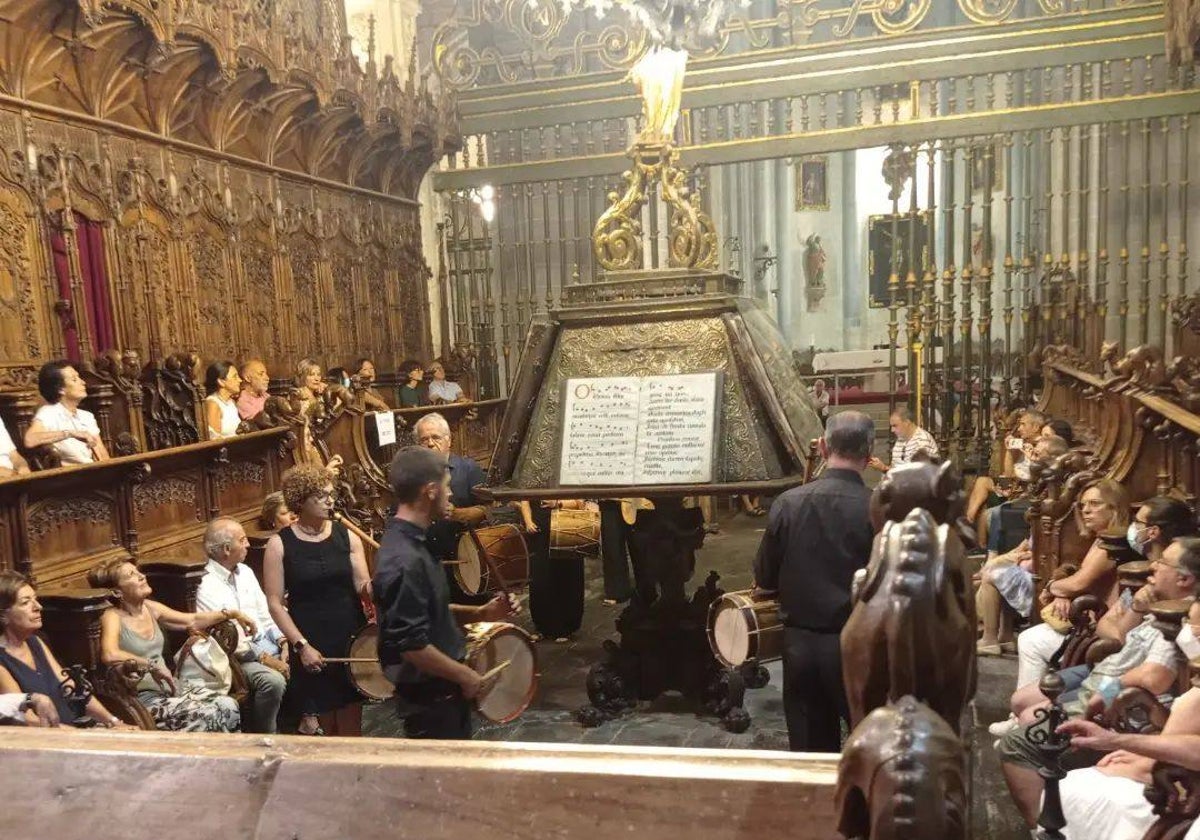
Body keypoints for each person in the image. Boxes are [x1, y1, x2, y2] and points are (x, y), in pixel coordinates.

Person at [997, 539, 1200, 827]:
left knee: (1019, 741)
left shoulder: (1176, 619)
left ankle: (1043, 827)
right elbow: (1115, 634)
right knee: (1027, 708)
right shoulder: (1157, 600)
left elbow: (1151, 678)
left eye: (1163, 562)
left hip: (1119, 707)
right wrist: (1139, 607)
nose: (1154, 565)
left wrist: (1108, 695)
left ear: (1184, 578)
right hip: (1102, 683)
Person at [373, 446, 517, 739]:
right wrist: (465, 675)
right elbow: (412, 645)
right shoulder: (403, 559)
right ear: (429, 491)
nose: (450, 495)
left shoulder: (415, 543)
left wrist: (480, 613)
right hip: (430, 701)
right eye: (447, 488)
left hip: (444, 694)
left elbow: (426, 611)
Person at [753, 410, 876, 751]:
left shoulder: (788, 503)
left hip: (800, 646)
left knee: (810, 755)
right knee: (869, 750)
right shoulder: (878, 509)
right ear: (870, 453)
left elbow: (764, 576)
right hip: (859, 648)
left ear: (822, 448)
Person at [263, 464, 370, 736]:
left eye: (330, 494)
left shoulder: (347, 535)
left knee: (351, 724)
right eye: (321, 496)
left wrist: (381, 585)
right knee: (326, 729)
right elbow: (275, 602)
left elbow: (362, 586)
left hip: (349, 637)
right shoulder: (279, 544)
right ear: (301, 500)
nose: (330, 500)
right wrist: (301, 645)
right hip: (310, 641)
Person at [1055, 648, 1200, 839]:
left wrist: (1110, 689)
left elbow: (1152, 677)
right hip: (1094, 684)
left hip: (1112, 704)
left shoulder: (1171, 632)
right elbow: (1108, 630)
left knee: (1023, 743)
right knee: (1029, 708)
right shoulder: (1151, 623)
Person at [89, 559, 249, 732]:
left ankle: (227, 757)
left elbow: (192, 620)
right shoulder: (112, 616)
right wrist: (150, 665)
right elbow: (110, 654)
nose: (142, 576)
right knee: (208, 715)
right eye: (132, 575)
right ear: (117, 592)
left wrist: (230, 613)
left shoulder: (150, 608)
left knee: (228, 705)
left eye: (138, 571)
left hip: (171, 688)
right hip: (143, 699)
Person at [1012, 478, 1131, 690]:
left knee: (1031, 640)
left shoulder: (1114, 544)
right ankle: (1028, 709)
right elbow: (1075, 578)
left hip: (1106, 632)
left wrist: (1052, 588)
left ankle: (1028, 714)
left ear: (1114, 507)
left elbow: (1079, 583)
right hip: (1091, 623)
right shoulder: (1101, 538)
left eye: (1095, 503)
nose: (1086, 510)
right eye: (1083, 505)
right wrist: (1062, 592)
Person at [0, 571, 133, 729]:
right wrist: (83, 736)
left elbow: (71, 689)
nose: (38, 607)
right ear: (3, 615)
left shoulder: (35, 641)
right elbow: (28, 720)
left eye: (35, 599)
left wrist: (113, 722)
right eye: (25, 602)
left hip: (77, 729)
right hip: (52, 742)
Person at [195, 518, 288, 734]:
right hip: (237, 657)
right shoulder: (205, 584)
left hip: (267, 643)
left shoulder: (244, 571)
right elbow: (231, 641)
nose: (247, 544)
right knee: (272, 681)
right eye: (242, 540)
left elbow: (265, 614)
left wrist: (284, 642)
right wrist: (267, 659)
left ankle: (303, 724)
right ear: (227, 549)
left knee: (305, 652)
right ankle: (265, 737)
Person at [24, 360, 110, 464]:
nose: (83, 382)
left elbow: (103, 456)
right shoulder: (49, 412)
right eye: (74, 379)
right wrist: (70, 433)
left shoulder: (87, 416)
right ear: (60, 389)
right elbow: (29, 440)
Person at [867, 406, 938, 472]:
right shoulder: (901, 438)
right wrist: (882, 467)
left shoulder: (921, 441)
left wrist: (884, 468)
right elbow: (895, 468)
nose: (892, 430)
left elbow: (916, 477)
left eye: (895, 426)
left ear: (907, 422)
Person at [204, 361, 242, 440]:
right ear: (221, 382)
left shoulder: (232, 402)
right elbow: (214, 438)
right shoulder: (213, 403)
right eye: (235, 376)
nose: (240, 380)